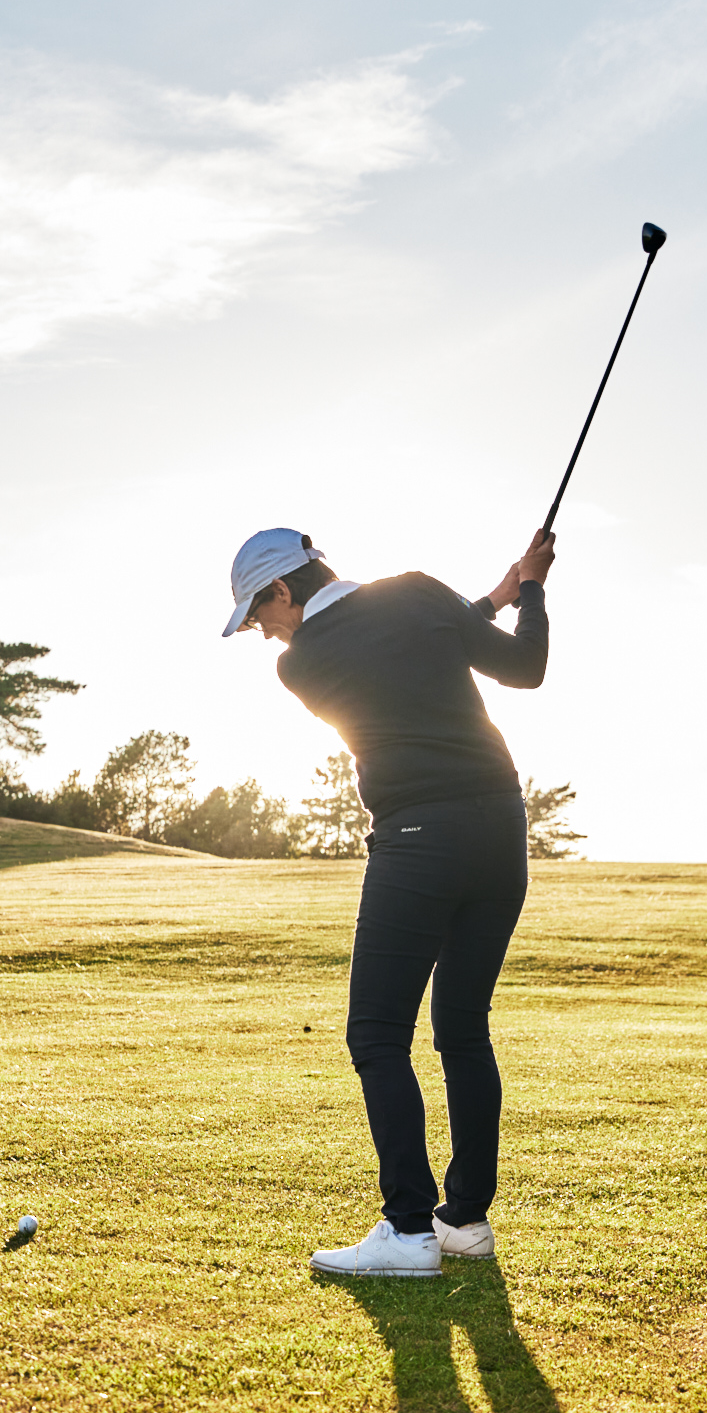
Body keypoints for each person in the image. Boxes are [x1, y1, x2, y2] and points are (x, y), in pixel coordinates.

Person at [224, 524, 554, 1278]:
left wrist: (495, 594)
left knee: (376, 1034)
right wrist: (523, 589)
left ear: (283, 589)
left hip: (417, 839)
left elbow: (393, 651)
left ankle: (408, 1229)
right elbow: (517, 665)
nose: (259, 631)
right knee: (463, 1028)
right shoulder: (417, 591)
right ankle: (464, 1220)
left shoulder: (299, 663)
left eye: (256, 613)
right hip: (500, 829)